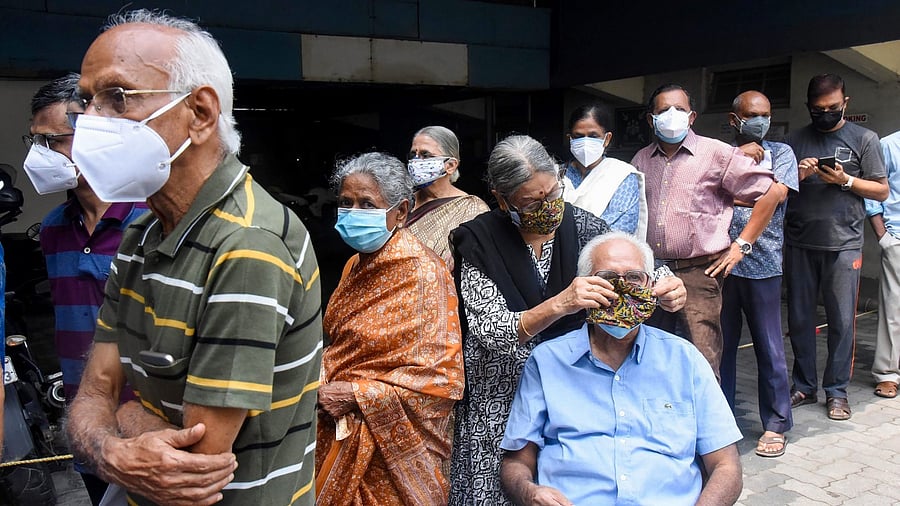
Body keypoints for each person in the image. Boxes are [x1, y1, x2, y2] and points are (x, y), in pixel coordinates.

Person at [65, 10, 322, 506]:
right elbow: (93, 388)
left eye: (116, 98)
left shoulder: (249, 245)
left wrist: (120, 416)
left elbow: (195, 463)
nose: (89, 122)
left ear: (201, 114)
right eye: (86, 101)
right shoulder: (141, 233)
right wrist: (116, 449)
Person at [448, 135, 687, 505]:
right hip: (501, 394)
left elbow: (627, 257)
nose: (548, 207)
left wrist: (666, 283)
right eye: (531, 202)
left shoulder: (581, 226)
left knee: (566, 480)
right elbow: (492, 330)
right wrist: (561, 303)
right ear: (501, 199)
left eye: (553, 193)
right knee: (505, 485)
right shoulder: (479, 240)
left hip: (570, 386)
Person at [500, 232, 743, 506]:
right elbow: (516, 462)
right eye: (607, 279)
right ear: (583, 288)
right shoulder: (547, 361)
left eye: (634, 279)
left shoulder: (685, 359)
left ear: (652, 285)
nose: (621, 290)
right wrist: (529, 492)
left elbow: (726, 465)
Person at [22, 74, 149, 503]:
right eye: (34, 142)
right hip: (87, 420)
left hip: (148, 422)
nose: (38, 156)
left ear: (93, 135)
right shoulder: (56, 228)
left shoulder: (151, 222)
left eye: (51, 141)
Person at [315, 152, 464, 505]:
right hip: (334, 430)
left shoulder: (425, 274)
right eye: (346, 203)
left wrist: (356, 395)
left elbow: (441, 380)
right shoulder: (355, 263)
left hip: (389, 455)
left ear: (401, 212)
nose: (353, 213)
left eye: (367, 204)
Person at [630, 83, 781, 380]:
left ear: (692, 116)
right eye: (663, 111)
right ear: (651, 119)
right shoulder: (640, 160)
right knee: (650, 357)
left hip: (699, 273)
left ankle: (705, 425)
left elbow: (770, 192)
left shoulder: (717, 153)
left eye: (680, 110)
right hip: (652, 272)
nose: (672, 115)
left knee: (703, 360)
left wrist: (742, 244)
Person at [785, 74, 889, 421]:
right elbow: (774, 190)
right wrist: (797, 176)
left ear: (846, 102)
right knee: (800, 320)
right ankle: (803, 384)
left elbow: (881, 191)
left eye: (832, 107)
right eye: (818, 109)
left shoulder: (865, 139)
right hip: (799, 242)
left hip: (844, 244)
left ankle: (836, 391)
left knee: (843, 321)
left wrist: (845, 180)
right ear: (808, 107)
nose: (826, 114)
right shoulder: (794, 140)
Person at [719, 91, 796, 458]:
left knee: (769, 347)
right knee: (722, 348)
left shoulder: (782, 153)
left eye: (765, 114)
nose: (760, 121)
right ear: (734, 119)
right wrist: (736, 160)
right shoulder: (719, 153)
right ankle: (722, 422)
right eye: (752, 115)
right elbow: (706, 195)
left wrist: (735, 194)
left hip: (763, 265)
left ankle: (777, 423)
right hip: (720, 266)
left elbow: (775, 194)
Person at [406, 126, 489, 268]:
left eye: (425, 155)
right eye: (414, 155)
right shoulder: (402, 204)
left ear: (450, 165)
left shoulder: (471, 208)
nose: (416, 161)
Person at [561, 103, 648, 237]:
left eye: (593, 136)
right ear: (570, 139)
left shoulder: (621, 175)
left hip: (602, 255)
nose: (585, 142)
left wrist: (566, 233)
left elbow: (619, 229)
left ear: (607, 139)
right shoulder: (556, 176)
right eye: (578, 136)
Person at [866, 130, 900, 398]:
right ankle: (888, 373)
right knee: (893, 307)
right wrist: (883, 236)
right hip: (897, 237)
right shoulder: (888, 145)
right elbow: (872, 193)